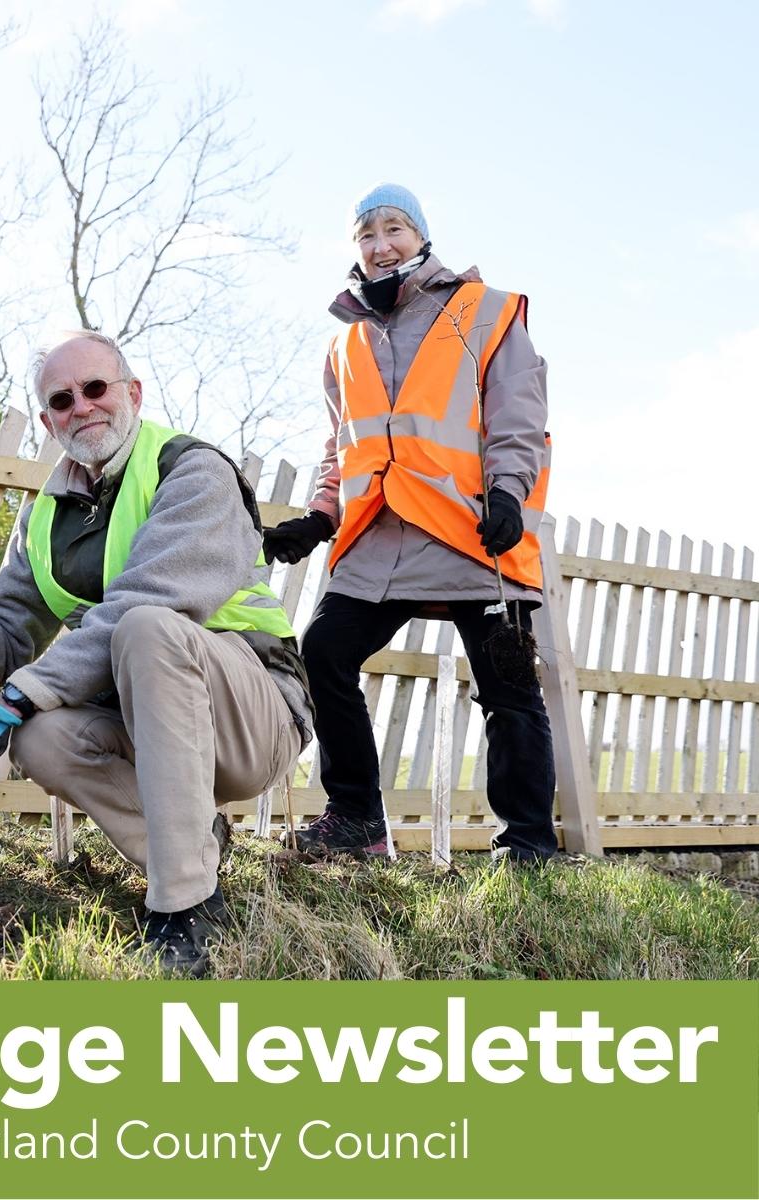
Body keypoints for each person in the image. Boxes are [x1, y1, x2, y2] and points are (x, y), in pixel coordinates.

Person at [0, 331, 313, 974]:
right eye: (62, 399)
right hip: (150, 727)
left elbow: (140, 608)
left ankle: (182, 910)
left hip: (253, 713)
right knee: (40, 738)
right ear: (47, 421)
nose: (83, 407)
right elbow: (8, 638)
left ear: (132, 392)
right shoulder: (44, 516)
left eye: (96, 388)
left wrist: (9, 701)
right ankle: (193, 843)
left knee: (147, 626)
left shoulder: (192, 471)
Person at [263, 183, 558, 863]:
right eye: (365, 234)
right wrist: (318, 516)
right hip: (380, 540)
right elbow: (342, 445)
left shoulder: (485, 312)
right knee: (323, 654)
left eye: (393, 228)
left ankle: (530, 846)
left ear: (422, 236)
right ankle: (357, 819)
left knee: (508, 686)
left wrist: (508, 496)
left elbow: (519, 418)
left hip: (471, 532)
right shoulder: (346, 344)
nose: (379, 243)